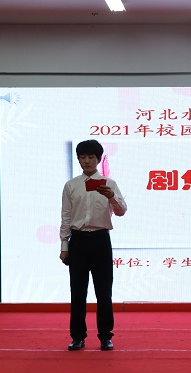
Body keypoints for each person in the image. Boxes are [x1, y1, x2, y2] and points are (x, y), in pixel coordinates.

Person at [60, 140, 127, 351]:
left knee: (103, 291)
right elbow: (66, 216)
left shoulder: (109, 184)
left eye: (91, 157)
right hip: (78, 240)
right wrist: (64, 246)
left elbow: (122, 211)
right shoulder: (71, 185)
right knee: (77, 291)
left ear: (98, 159)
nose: (87, 161)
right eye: (83, 157)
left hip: (100, 240)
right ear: (78, 159)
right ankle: (77, 336)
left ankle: (105, 336)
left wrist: (112, 197)